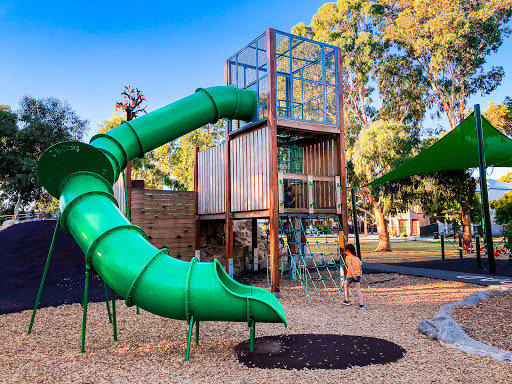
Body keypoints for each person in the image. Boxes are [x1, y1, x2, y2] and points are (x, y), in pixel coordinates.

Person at [342, 244, 365, 309]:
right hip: (357, 275)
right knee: (358, 289)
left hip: (351, 275)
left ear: (348, 250)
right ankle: (361, 304)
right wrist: (361, 275)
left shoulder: (348, 257)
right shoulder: (357, 258)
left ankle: (347, 300)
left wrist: (352, 274)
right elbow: (360, 267)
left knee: (346, 286)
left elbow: (350, 265)